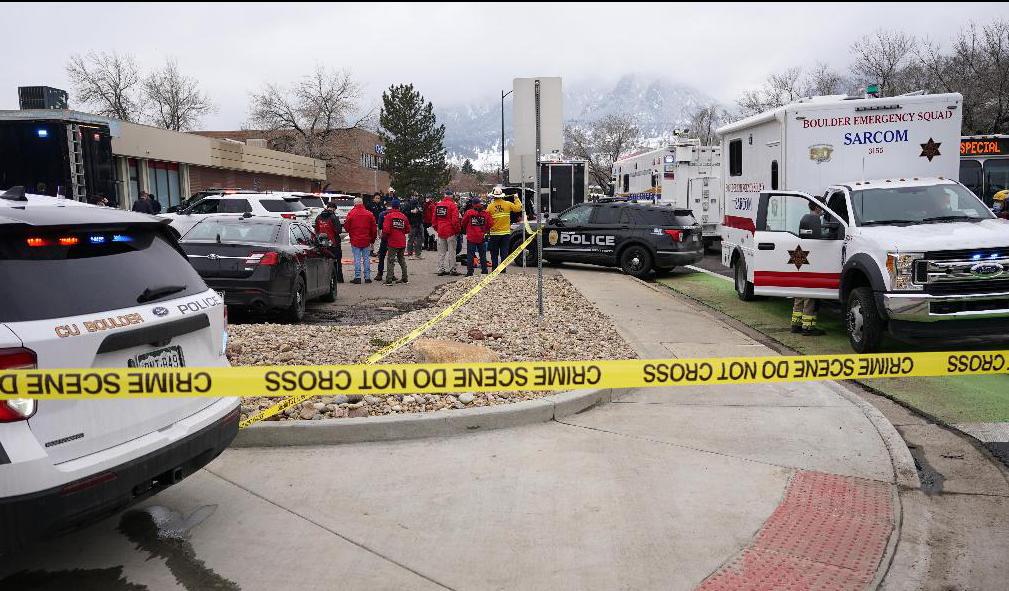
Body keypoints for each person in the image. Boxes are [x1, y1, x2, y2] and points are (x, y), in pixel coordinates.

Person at [792, 201, 826, 336]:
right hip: (812, 259)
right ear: (817, 206)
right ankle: (808, 327)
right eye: (822, 205)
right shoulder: (815, 220)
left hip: (801, 257)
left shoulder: (804, 218)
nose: (824, 208)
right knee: (810, 296)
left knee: (799, 294)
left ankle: (795, 324)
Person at [486, 187, 523, 272]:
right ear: (502, 196)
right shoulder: (507, 204)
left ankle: (494, 269)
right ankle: (503, 269)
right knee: (504, 252)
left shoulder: (490, 206)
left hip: (494, 234)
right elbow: (518, 208)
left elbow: (487, 219)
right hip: (505, 233)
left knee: (494, 253)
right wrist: (516, 198)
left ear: (493, 196)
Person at [344, 197, 378, 284]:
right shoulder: (369, 214)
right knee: (366, 258)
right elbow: (374, 229)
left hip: (355, 239)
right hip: (366, 239)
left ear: (354, 204)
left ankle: (358, 277)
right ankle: (367, 277)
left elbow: (346, 227)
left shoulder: (351, 213)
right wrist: (372, 240)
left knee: (357, 258)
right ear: (362, 203)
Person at [314, 201, 345, 283]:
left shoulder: (318, 217)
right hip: (334, 243)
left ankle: (323, 279)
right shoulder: (333, 217)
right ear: (334, 209)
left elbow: (316, 230)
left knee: (323, 261)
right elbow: (338, 231)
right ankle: (339, 278)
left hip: (322, 244)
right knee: (337, 261)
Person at [461, 197, 493, 276]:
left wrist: (466, 230)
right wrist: (484, 230)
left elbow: (463, 223)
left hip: (471, 237)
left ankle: (470, 272)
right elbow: (490, 224)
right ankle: (484, 271)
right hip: (481, 237)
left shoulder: (468, 213)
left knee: (470, 255)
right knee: (482, 255)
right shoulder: (485, 213)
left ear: (472, 204)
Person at [432, 190, 461, 276]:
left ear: (444, 196)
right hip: (450, 231)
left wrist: (438, 229)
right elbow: (455, 221)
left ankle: (440, 269)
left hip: (441, 231)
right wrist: (457, 230)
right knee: (452, 252)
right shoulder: (453, 205)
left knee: (441, 252)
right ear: (452, 196)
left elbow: (434, 220)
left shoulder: (438, 205)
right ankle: (452, 269)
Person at [381, 199, 410, 284]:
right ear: (399, 207)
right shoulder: (403, 217)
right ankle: (405, 278)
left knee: (390, 260)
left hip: (393, 242)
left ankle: (389, 280)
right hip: (402, 241)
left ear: (392, 206)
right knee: (401, 260)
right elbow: (408, 229)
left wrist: (384, 237)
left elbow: (386, 230)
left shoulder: (389, 216)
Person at [375, 201, 393, 281]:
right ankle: (391, 274)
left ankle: (379, 274)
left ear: (386, 206)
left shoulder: (382, 214)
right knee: (391, 257)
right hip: (393, 238)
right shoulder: (395, 214)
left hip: (384, 237)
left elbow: (379, 226)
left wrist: (379, 235)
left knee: (382, 256)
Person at [405, 192, 425, 258]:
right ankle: (410, 253)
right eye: (415, 195)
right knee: (411, 238)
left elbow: (422, 211)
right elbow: (404, 212)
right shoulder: (408, 204)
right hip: (412, 224)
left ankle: (418, 253)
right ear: (412, 196)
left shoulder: (419, 203)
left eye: (417, 195)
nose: (416, 197)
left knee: (420, 239)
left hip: (419, 223)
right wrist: (411, 211)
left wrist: (419, 211)